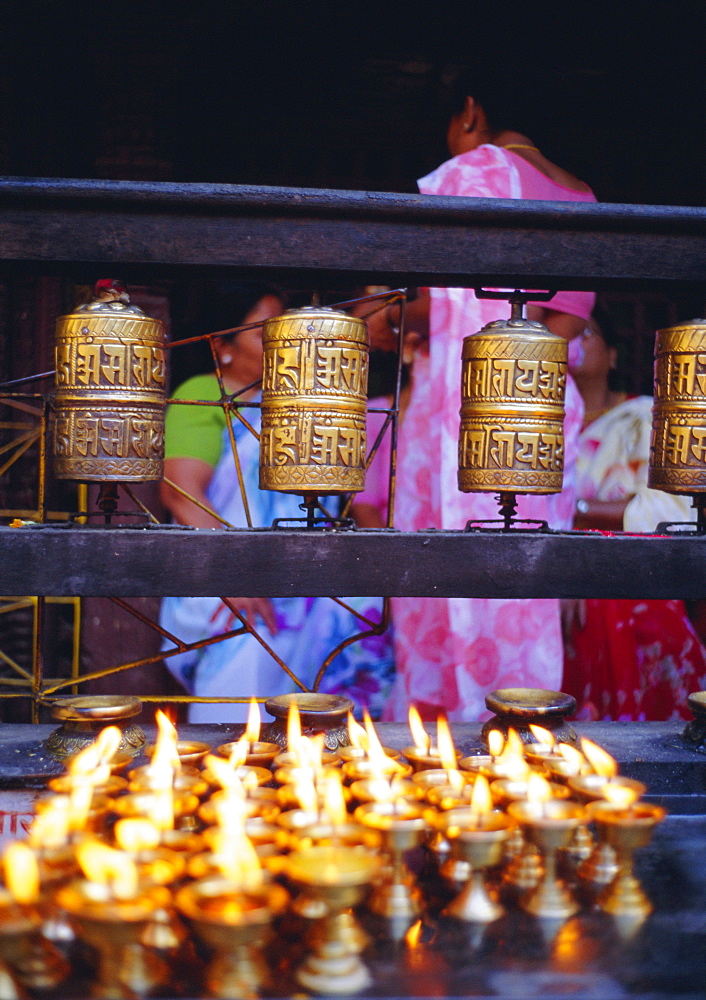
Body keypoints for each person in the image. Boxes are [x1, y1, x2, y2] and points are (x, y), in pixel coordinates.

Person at [360, 73, 597, 722]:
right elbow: (563, 330)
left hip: (458, 414)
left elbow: (419, 311)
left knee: (443, 567)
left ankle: (442, 733)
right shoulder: (582, 198)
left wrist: (383, 316)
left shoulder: (466, 179)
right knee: (521, 564)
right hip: (537, 416)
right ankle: (520, 717)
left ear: (469, 112)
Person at [159, 282, 393, 722]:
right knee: (246, 665)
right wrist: (235, 574)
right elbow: (180, 495)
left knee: (364, 615)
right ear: (220, 345)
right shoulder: (203, 394)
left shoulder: (303, 405)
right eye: (261, 334)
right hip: (227, 572)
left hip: (304, 574)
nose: (277, 346)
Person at [562, 309, 706, 720]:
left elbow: (667, 510)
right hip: (559, 576)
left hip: (629, 576)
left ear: (612, 357)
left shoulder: (642, 417)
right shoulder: (542, 425)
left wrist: (574, 512)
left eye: (588, 333)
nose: (575, 341)